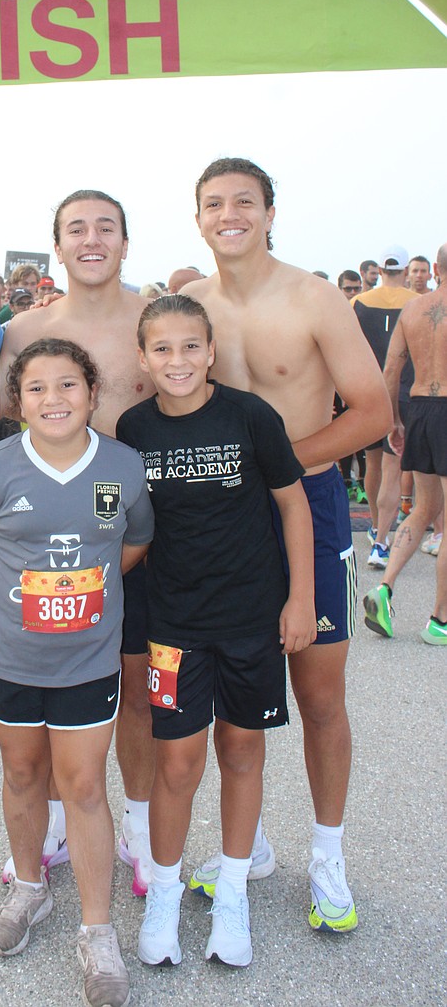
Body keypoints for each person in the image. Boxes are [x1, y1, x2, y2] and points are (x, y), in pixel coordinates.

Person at [183, 157, 390, 933]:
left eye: (244, 201)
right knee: (236, 686)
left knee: (319, 693)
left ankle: (328, 856)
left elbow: (370, 413)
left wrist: (276, 465)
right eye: (214, 203)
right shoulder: (191, 305)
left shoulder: (315, 297)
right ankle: (252, 842)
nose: (229, 213)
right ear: (197, 217)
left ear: (270, 212)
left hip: (310, 502)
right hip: (218, 521)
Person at [0, 338, 152, 1007]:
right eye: (37, 388)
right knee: (21, 773)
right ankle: (30, 890)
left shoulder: (122, 468)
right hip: (8, 656)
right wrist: (31, 596)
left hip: (87, 658)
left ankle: (98, 932)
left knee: (85, 783)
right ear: (17, 401)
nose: (54, 399)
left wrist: (85, 590)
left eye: (68, 385)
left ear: (93, 394)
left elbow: (136, 539)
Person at [117, 295, 315, 968]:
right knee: (176, 761)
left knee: (241, 750)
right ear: (143, 358)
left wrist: (301, 598)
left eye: (191, 346)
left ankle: (233, 890)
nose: (179, 360)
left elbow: (293, 503)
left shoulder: (250, 415)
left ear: (210, 351)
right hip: (173, 624)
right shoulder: (132, 426)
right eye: (163, 349)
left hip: (251, 618)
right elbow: (119, 518)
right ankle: (166, 893)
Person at [0, 191, 157, 895]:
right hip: (56, 541)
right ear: (56, 246)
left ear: (125, 240)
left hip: (145, 528)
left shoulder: (156, 318)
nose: (91, 239)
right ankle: (56, 820)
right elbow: (4, 438)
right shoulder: (23, 327)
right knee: (53, 682)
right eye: (76, 229)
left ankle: (139, 823)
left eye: (105, 227)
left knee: (137, 683)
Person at [362, 241, 447, 645]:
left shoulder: (412, 308)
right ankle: (439, 620)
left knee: (426, 508)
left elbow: (390, 368)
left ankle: (385, 587)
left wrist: (393, 419)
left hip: (420, 409)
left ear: (434, 267)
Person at [351, 248, 416, 566]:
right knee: (391, 472)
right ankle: (380, 542)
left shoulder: (358, 303)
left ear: (378, 269)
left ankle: (378, 527)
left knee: (372, 466)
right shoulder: (417, 302)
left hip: (367, 393)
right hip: (404, 393)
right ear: (406, 269)